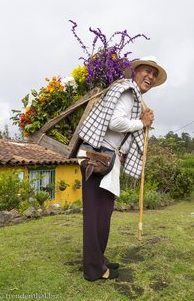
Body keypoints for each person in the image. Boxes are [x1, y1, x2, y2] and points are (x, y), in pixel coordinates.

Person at [77, 55, 167, 281]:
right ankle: (93, 270)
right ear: (135, 72)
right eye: (147, 70)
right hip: (97, 160)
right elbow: (114, 123)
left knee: (103, 214)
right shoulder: (128, 92)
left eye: (154, 74)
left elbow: (119, 132)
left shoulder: (131, 95)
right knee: (96, 216)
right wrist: (142, 123)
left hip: (105, 159)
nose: (151, 76)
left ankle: (99, 260)